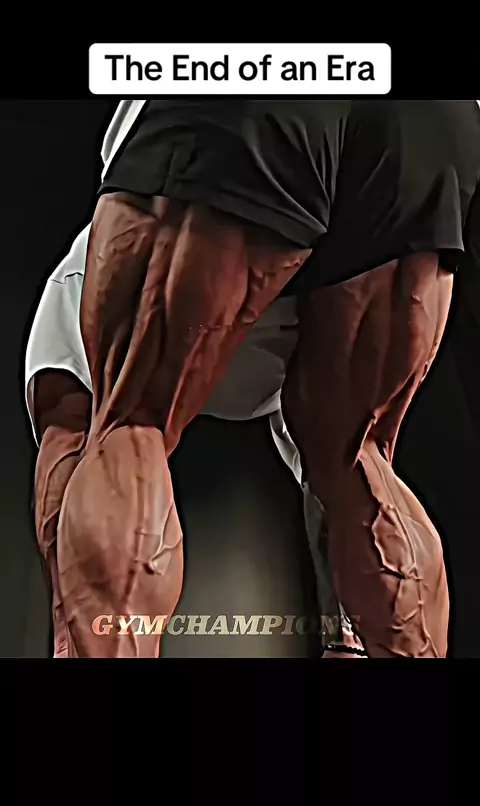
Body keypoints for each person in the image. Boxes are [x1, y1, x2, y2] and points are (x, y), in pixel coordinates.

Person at [28, 99, 480, 659]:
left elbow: (71, 452)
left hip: (249, 86)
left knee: (127, 423)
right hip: (431, 120)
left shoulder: (75, 293)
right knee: (361, 459)